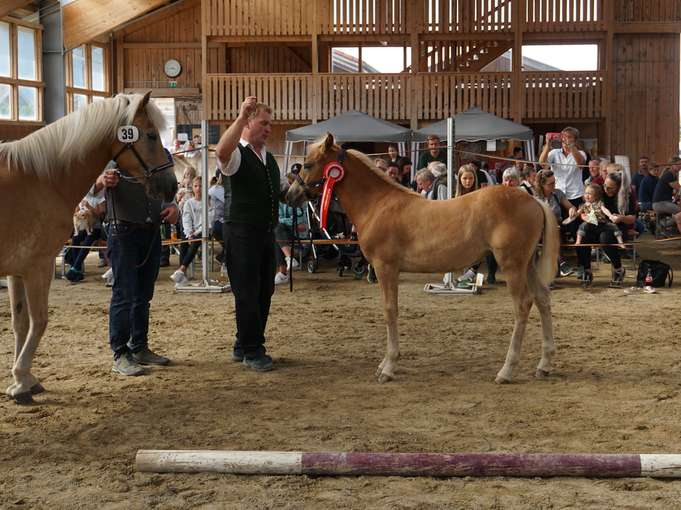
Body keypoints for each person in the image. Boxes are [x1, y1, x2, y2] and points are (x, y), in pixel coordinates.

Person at [215, 96, 282, 372]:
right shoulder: (236, 154)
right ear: (248, 124)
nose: (268, 129)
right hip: (241, 232)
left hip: (265, 232)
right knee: (247, 292)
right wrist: (240, 115)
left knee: (264, 290)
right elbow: (220, 151)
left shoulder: (268, 158)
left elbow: (277, 193)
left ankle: (243, 344)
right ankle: (253, 351)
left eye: (269, 124)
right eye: (263, 124)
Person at [94, 161, 179, 376]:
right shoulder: (115, 153)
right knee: (124, 293)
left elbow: (169, 193)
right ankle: (120, 353)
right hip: (122, 230)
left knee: (143, 294)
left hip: (151, 231)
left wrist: (174, 208)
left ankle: (139, 346)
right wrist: (102, 180)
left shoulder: (161, 155)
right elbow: (91, 189)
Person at [575, 172, 636, 288]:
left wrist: (621, 217)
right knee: (583, 237)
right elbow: (583, 209)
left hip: (616, 227)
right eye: (605, 186)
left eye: (610, 187)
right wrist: (586, 217)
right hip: (596, 224)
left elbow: (632, 219)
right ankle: (586, 270)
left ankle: (618, 269)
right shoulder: (600, 192)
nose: (606, 189)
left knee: (605, 238)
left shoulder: (627, 196)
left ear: (618, 187)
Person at [533, 169, 576, 278]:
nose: (554, 185)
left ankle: (557, 267)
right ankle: (561, 264)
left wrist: (571, 210)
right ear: (542, 184)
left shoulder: (558, 193)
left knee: (554, 231)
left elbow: (571, 206)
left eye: (554, 182)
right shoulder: (535, 197)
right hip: (540, 226)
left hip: (557, 225)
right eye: (551, 183)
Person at [64, 188, 107, 283]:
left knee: (87, 242)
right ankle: (76, 268)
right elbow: (75, 211)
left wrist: (89, 207)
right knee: (75, 239)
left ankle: (75, 268)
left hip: (96, 227)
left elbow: (101, 214)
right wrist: (78, 212)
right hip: (83, 226)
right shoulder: (83, 197)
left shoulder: (100, 198)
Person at [567, 184, 626, 249]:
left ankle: (620, 242)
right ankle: (578, 242)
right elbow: (579, 212)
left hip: (601, 223)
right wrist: (574, 215)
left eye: (589, 194)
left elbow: (605, 210)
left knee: (613, 226)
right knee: (582, 226)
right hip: (590, 224)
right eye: (585, 193)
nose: (587, 195)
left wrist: (610, 215)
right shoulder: (584, 205)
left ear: (596, 196)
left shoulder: (599, 203)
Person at [539, 126, 586, 206]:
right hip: (558, 193)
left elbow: (581, 163)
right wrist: (547, 145)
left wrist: (571, 146)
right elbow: (542, 164)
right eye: (563, 136)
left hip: (575, 194)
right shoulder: (554, 152)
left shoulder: (581, 153)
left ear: (575, 140)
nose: (565, 139)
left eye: (569, 137)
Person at [170, 176, 203, 286]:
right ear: (193, 188)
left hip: (204, 230)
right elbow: (186, 219)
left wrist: (195, 233)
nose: (198, 189)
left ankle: (182, 270)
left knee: (197, 238)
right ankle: (181, 276)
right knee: (184, 242)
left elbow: (209, 220)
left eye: (201, 186)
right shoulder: (189, 202)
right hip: (191, 231)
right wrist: (189, 233)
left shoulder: (209, 200)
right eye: (196, 186)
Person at [652, 156, 681, 233]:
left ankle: (666, 225)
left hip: (663, 202)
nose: (680, 166)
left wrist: (676, 196)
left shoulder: (672, 175)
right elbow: (679, 189)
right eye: (678, 164)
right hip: (660, 203)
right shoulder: (669, 175)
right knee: (680, 213)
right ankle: (662, 224)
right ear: (672, 165)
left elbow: (676, 191)